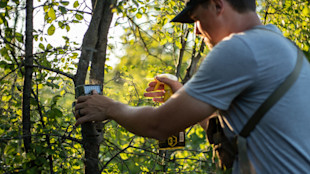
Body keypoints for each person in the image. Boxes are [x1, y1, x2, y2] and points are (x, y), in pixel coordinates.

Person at [75, 0, 310, 173]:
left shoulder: (240, 48)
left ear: (218, 6)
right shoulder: (283, 48)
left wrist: (110, 107)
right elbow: (243, 134)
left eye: (196, 18)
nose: (196, 30)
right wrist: (182, 94)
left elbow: (158, 125)